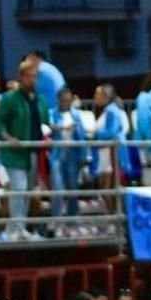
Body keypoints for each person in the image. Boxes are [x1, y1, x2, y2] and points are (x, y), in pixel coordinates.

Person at [0, 59, 48, 241]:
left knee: (26, 191)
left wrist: (47, 137)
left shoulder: (40, 100)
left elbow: (45, 124)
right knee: (19, 187)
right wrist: (8, 138)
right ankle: (14, 229)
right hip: (15, 152)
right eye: (30, 76)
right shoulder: (10, 98)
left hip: (33, 151)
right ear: (22, 77)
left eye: (35, 77)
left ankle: (19, 227)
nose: (33, 80)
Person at [47, 86, 86, 236]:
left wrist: (83, 156)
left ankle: (73, 217)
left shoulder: (76, 115)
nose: (67, 103)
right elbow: (49, 127)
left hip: (73, 153)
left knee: (72, 186)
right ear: (58, 101)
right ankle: (56, 217)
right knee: (57, 186)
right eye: (64, 101)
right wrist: (63, 127)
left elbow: (81, 135)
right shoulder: (52, 113)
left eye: (69, 101)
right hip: (58, 153)